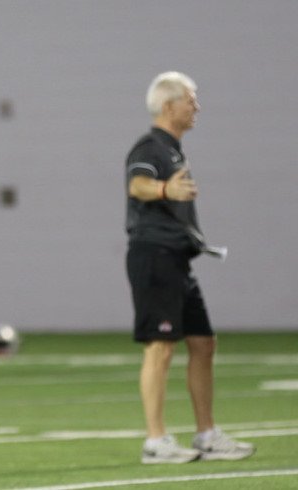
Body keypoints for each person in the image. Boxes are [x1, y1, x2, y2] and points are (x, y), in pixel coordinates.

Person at [125, 72, 255, 464]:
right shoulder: (151, 147)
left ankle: (206, 434)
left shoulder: (174, 150)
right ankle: (156, 441)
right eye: (191, 100)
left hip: (177, 260)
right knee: (161, 347)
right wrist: (165, 189)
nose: (196, 107)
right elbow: (138, 185)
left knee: (203, 343)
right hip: (155, 255)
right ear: (168, 106)